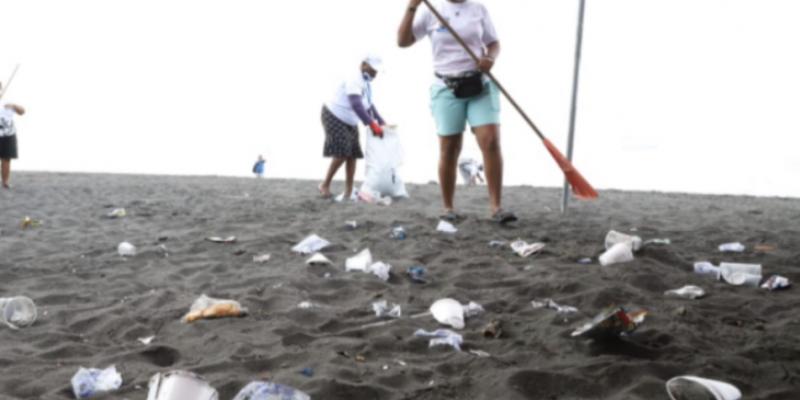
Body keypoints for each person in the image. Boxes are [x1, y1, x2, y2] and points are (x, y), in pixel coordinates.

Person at [397, 0, 517, 224]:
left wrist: (490, 58)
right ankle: (448, 207)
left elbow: (493, 43)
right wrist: (411, 7)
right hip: (446, 88)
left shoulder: (478, 9)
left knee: (490, 141)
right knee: (450, 148)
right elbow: (403, 42)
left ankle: (496, 207)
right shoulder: (431, 11)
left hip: (479, 85)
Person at [318, 55, 386, 200]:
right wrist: (372, 124)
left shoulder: (366, 84)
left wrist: (380, 121)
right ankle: (325, 184)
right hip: (334, 114)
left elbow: (368, 106)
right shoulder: (354, 79)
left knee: (353, 154)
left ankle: (349, 191)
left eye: (377, 71)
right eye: (373, 69)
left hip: (351, 120)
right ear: (363, 65)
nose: (375, 74)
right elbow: (356, 105)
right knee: (343, 152)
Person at [0, 81, 25, 189]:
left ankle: (5, 182)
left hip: (8, 135)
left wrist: (14, 106)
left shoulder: (7, 102)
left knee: (6, 159)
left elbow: (22, 111)